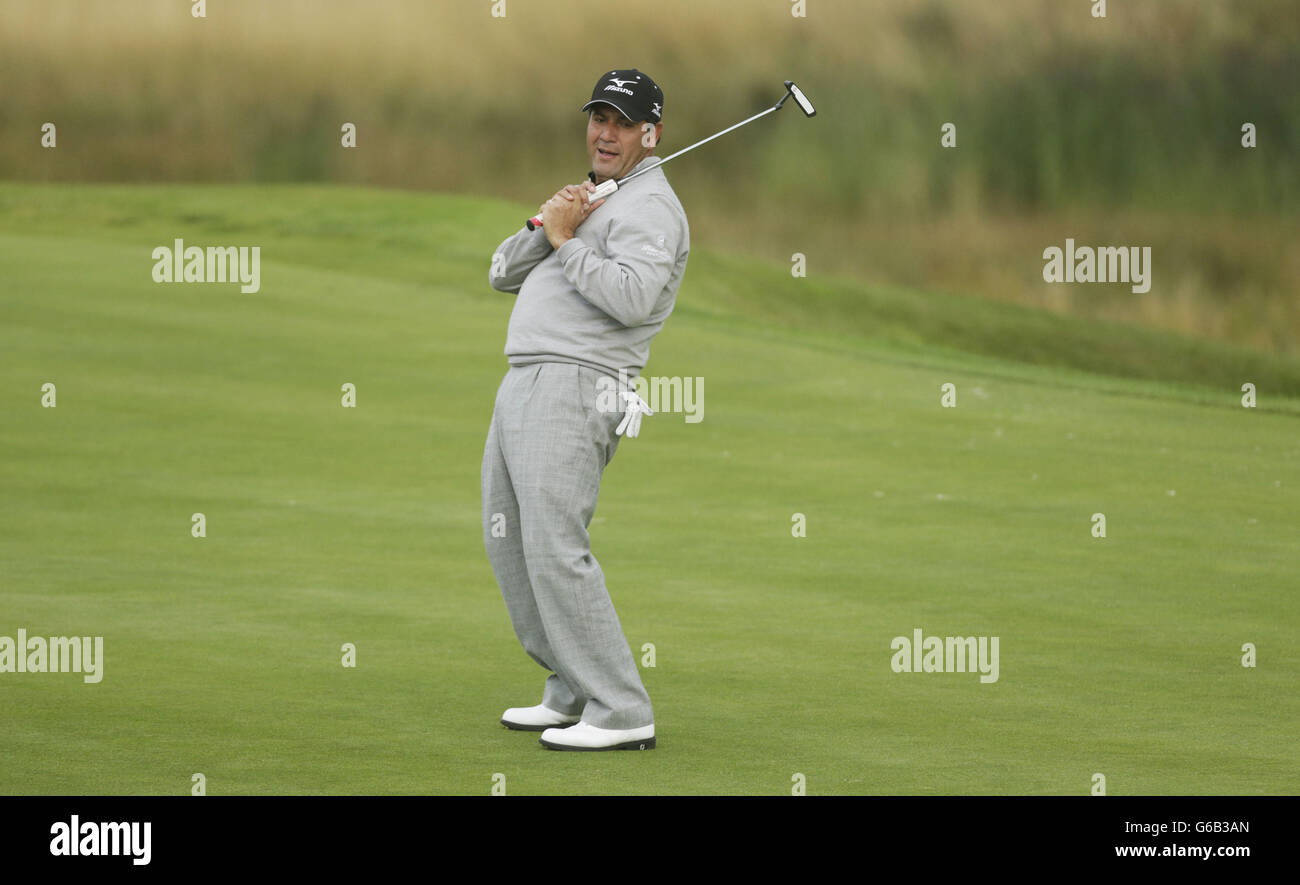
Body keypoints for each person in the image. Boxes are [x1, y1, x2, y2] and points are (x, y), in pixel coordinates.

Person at [482, 69, 689, 751]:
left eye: (622, 122)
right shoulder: (596, 197)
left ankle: (622, 708)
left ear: (649, 134)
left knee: (555, 546)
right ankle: (569, 686)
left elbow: (631, 297)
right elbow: (501, 272)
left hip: (580, 382)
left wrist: (570, 242)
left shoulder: (653, 208)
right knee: (510, 541)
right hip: (526, 377)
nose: (605, 132)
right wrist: (551, 221)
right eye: (598, 117)